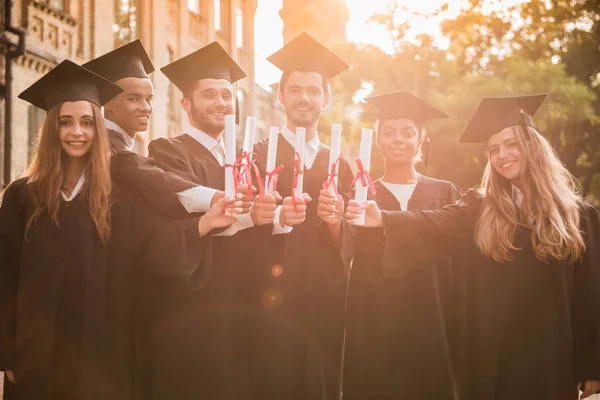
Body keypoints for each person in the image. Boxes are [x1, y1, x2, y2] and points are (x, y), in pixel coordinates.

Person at [0, 60, 241, 400]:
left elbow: (151, 245)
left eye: (87, 122)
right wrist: (8, 352)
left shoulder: (118, 194)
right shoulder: (22, 196)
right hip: (37, 349)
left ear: (98, 128)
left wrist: (204, 222)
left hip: (104, 351)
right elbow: (5, 276)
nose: (77, 132)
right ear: (51, 128)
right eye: (65, 122)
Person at [345, 94, 600, 400]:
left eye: (511, 144)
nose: (502, 155)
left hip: (549, 355)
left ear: (532, 146)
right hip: (490, 356)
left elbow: (590, 293)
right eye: (494, 149)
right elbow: (437, 221)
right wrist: (384, 218)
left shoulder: (577, 216)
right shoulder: (480, 207)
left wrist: (591, 364)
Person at [141, 41, 285, 400]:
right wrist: (237, 215)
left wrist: (278, 215)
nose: (221, 102)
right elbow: (179, 212)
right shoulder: (168, 151)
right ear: (186, 104)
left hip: (244, 293)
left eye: (226, 94)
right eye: (210, 95)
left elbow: (256, 219)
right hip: (196, 297)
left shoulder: (245, 157)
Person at [318, 91, 461, 399]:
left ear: (421, 141)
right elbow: (345, 247)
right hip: (373, 317)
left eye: (408, 133)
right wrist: (332, 221)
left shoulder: (445, 192)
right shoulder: (361, 191)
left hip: (434, 317)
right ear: (378, 140)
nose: (399, 140)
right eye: (390, 133)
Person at [249, 32, 353, 400]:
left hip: (324, 295)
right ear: (281, 95)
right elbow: (239, 229)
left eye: (313, 90)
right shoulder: (256, 157)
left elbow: (351, 246)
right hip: (264, 293)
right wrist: (272, 215)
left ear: (326, 97)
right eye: (294, 89)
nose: (303, 98)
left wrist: (337, 220)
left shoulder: (341, 165)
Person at [83, 40, 248, 217]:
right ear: (108, 102)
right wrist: (215, 197)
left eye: (149, 99)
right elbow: (143, 173)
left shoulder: (242, 158)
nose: (146, 108)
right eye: (133, 99)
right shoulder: (105, 144)